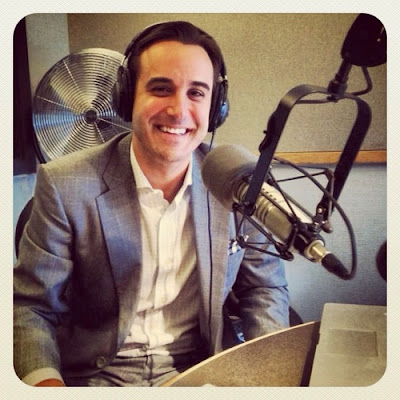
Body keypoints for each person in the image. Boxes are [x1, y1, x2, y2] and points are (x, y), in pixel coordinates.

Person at [14, 20, 289, 387]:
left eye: (196, 93)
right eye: (161, 88)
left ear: (216, 108)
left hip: (200, 371)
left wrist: (270, 374)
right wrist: (46, 384)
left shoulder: (239, 184)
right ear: (126, 97)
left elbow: (263, 289)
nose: (178, 110)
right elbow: (31, 307)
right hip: (94, 375)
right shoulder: (65, 184)